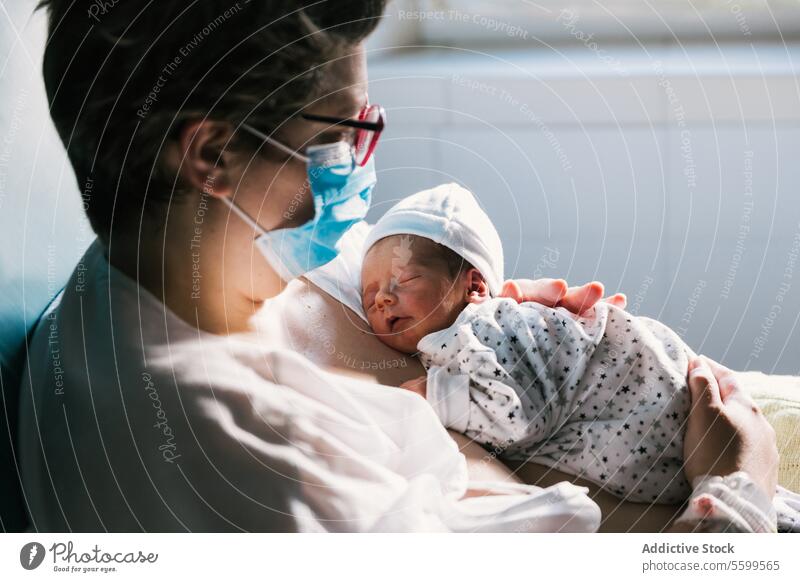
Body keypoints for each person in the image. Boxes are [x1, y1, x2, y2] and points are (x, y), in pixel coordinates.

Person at [19, 0, 778, 532]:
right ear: (213, 156)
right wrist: (738, 491)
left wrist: (490, 309)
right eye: (345, 133)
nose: (360, 165)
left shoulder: (168, 271)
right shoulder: (247, 470)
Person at [360, 184, 796, 525]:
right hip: (690, 468)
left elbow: (519, 414)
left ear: (475, 287)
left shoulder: (484, 326)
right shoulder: (449, 343)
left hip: (666, 422)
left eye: (404, 280)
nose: (381, 300)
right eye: (368, 295)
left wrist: (435, 396)